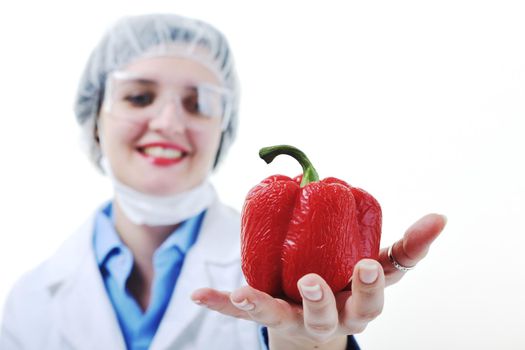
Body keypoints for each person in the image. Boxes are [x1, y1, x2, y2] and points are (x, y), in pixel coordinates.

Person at [0, 14, 446, 350]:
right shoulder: (30, 301)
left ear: (223, 130)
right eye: (139, 96)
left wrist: (309, 345)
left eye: (199, 104)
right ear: (94, 117)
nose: (170, 122)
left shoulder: (291, 275)